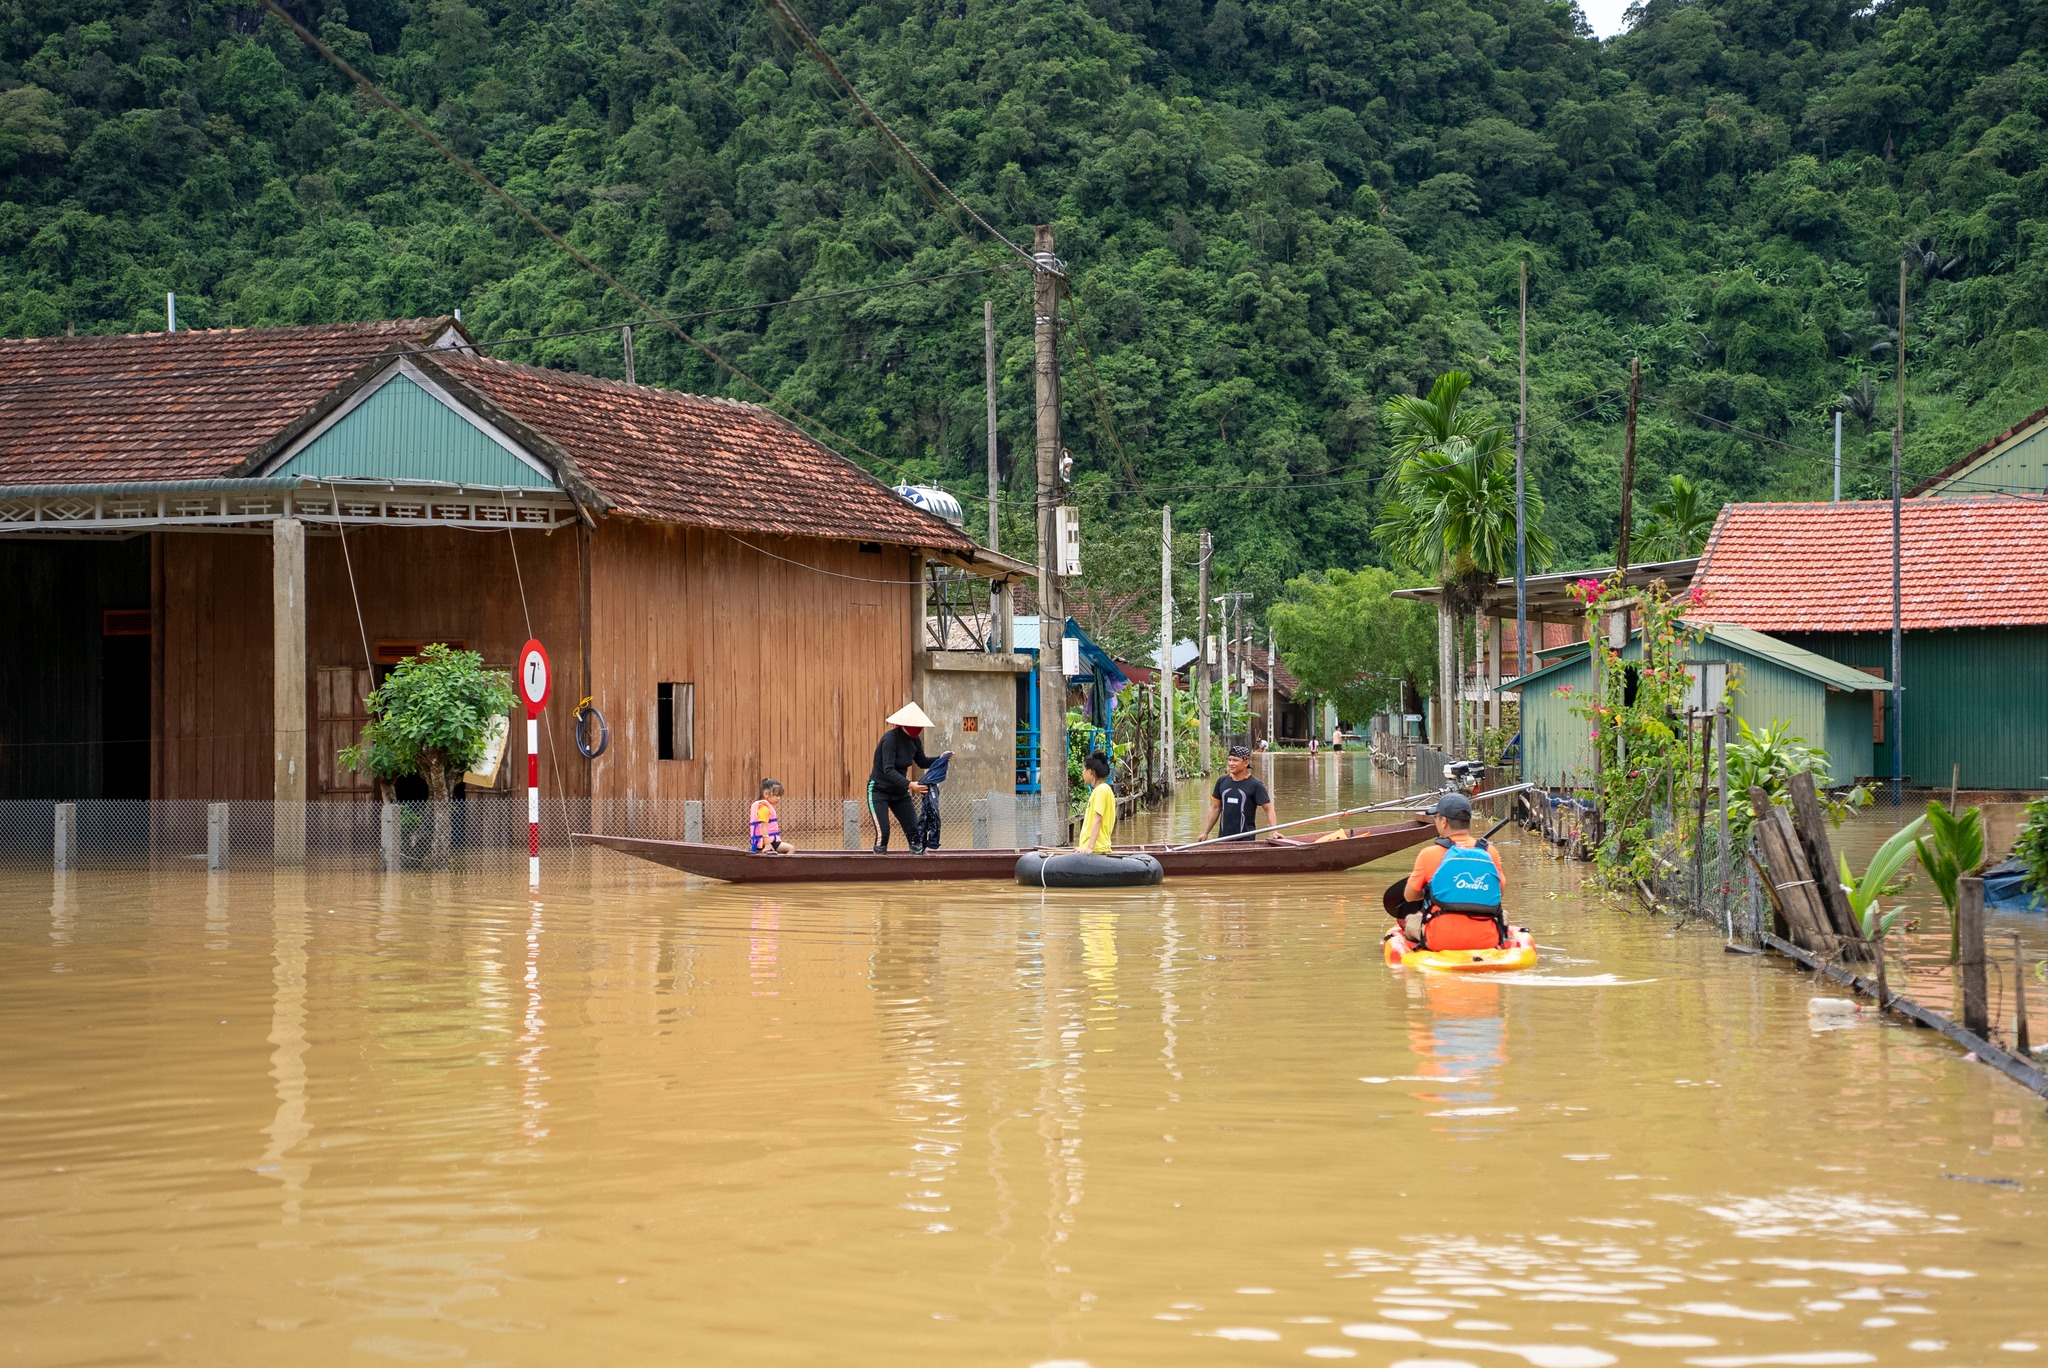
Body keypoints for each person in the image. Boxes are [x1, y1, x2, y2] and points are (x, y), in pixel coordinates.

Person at [1390, 792, 1507, 950]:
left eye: (1436, 818)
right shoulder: (1490, 852)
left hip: (1440, 940)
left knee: (1410, 919)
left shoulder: (1428, 854)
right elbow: (1499, 892)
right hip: (1486, 940)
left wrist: (1429, 890)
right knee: (1504, 915)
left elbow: (1409, 896)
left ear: (1444, 822)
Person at [869, 702, 950, 854]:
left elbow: (922, 761)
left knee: (915, 835)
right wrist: (910, 784)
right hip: (879, 791)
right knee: (883, 833)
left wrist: (941, 758)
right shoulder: (890, 739)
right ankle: (878, 866)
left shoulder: (915, 741)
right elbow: (888, 770)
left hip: (900, 793)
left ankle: (917, 865)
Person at [1199, 745, 1276, 842]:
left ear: (1246, 763)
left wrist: (1274, 832)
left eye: (1235, 760)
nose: (1231, 763)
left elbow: (1268, 809)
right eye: (1229, 760)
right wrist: (1206, 832)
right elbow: (1215, 808)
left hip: (1246, 840)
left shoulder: (1255, 785)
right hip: (1223, 839)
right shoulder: (1222, 781)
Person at [1073, 751, 1117, 854]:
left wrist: (1090, 847)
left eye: (1083, 770)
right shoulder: (1101, 790)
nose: (1082, 773)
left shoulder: (1101, 791)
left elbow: (1098, 819)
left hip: (1096, 850)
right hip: (1095, 849)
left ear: (1090, 772)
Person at [750, 779, 794, 854]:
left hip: (764, 842)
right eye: (776, 795)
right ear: (766, 794)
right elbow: (762, 827)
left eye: (780, 796)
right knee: (791, 849)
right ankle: (784, 865)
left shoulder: (763, 807)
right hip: (767, 842)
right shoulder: (764, 809)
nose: (779, 798)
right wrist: (767, 844)